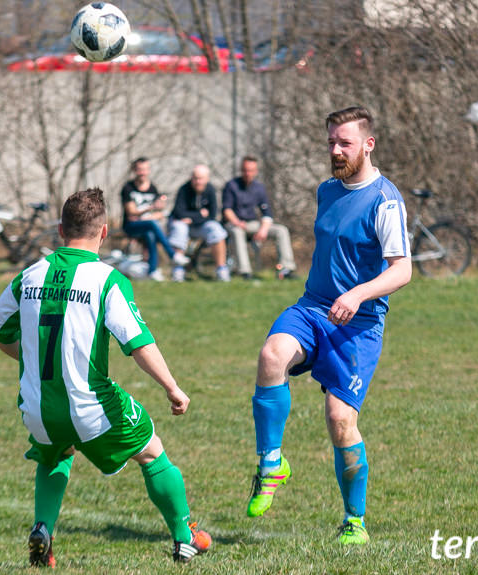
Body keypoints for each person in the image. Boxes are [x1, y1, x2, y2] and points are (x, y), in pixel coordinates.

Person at [0, 188, 212, 566]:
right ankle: (185, 537)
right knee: (152, 451)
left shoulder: (28, 275)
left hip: (37, 408)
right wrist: (172, 387)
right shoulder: (107, 280)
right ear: (104, 233)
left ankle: (43, 528)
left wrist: (36, 361)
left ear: (60, 229)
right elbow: (138, 344)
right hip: (89, 406)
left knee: (55, 452)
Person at [246, 106, 411, 545]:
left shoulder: (385, 201)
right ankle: (271, 462)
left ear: (368, 144)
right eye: (331, 143)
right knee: (271, 356)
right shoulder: (326, 190)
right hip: (313, 308)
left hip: (360, 323)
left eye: (345, 143)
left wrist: (358, 294)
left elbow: (402, 270)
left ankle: (354, 521)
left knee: (340, 421)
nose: (336, 151)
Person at [222, 156, 297, 279]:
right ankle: (245, 271)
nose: (248, 173)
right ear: (241, 170)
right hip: (234, 224)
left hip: (252, 224)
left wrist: (263, 229)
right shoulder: (231, 186)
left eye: (251, 170)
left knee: (281, 230)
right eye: (245, 170)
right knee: (237, 232)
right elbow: (227, 210)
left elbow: (266, 213)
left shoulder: (259, 188)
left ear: (256, 171)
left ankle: (286, 269)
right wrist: (236, 222)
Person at [120, 157, 190, 281]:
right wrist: (151, 208)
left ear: (149, 170)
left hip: (147, 225)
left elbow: (160, 213)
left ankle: (152, 271)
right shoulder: (128, 188)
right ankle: (172, 254)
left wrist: (157, 209)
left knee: (150, 233)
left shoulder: (153, 188)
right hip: (131, 226)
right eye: (140, 170)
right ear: (134, 170)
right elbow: (131, 212)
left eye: (145, 169)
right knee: (152, 224)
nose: (143, 173)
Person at [168, 164, 230, 282]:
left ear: (207, 179)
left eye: (200, 178)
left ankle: (221, 269)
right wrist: (200, 215)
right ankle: (178, 270)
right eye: (195, 178)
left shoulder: (210, 190)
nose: (198, 181)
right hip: (184, 225)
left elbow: (212, 215)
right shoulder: (184, 189)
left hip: (201, 226)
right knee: (179, 228)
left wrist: (193, 218)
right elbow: (179, 213)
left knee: (216, 229)